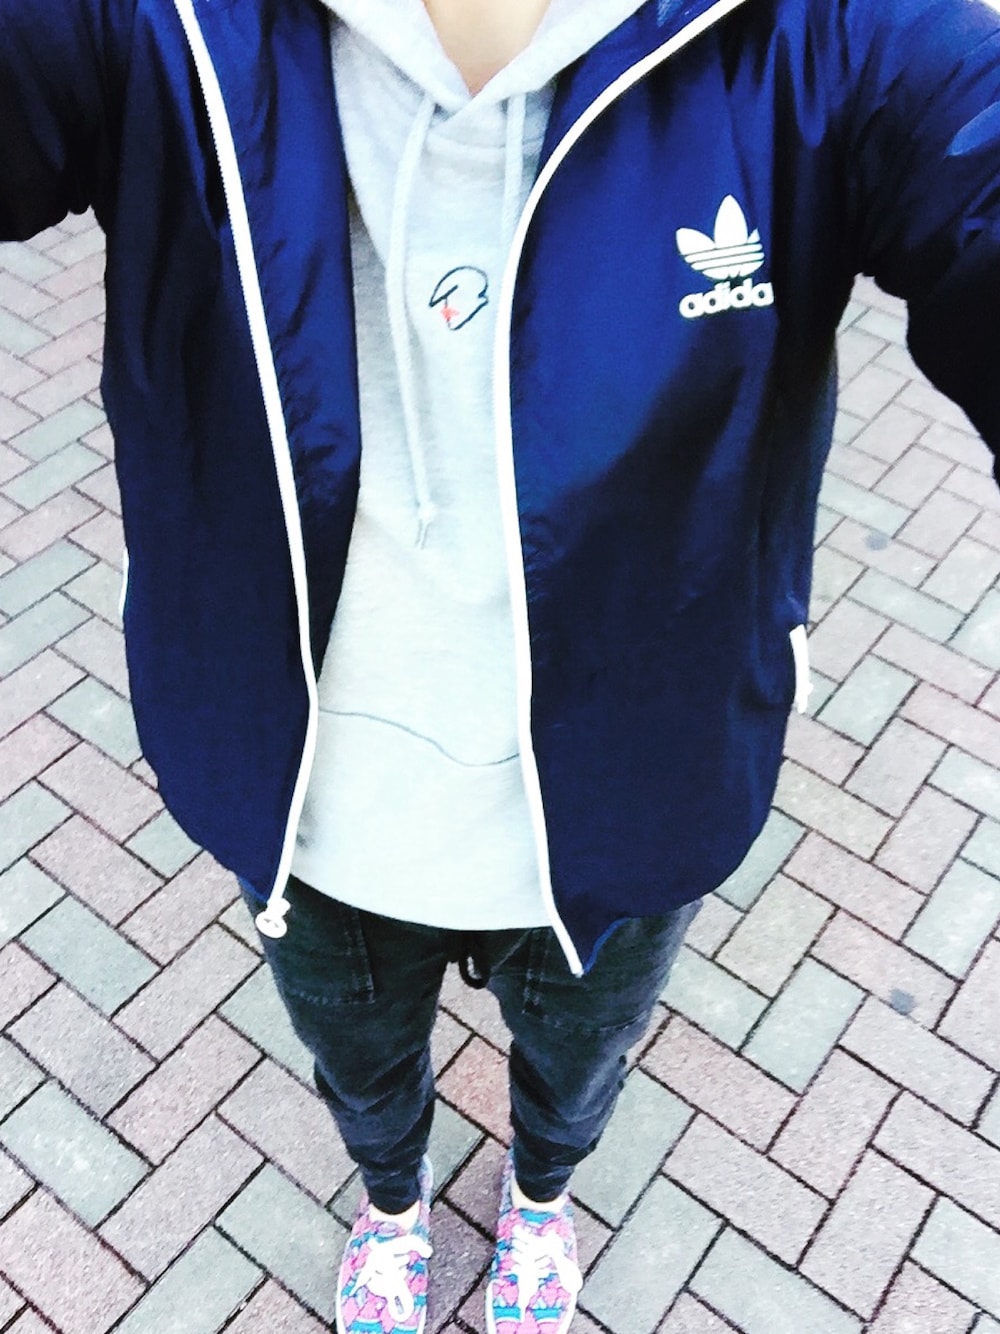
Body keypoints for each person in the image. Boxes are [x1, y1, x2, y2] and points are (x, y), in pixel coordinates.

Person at [3, 0, 1000, 1330]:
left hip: (628, 801)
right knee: (361, 1073)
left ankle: (539, 1197)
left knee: (579, 1071)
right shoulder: (157, 24)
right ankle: (394, 1202)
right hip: (311, 811)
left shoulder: (821, 35)